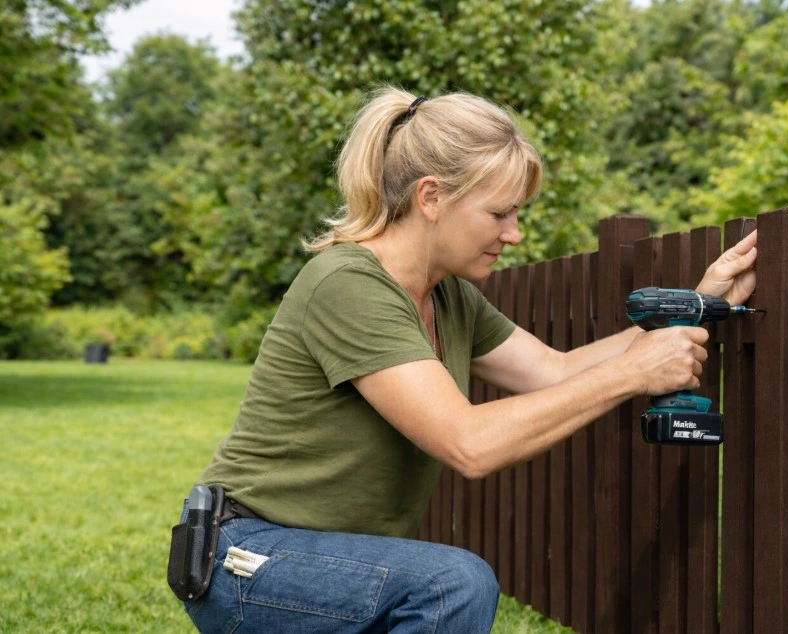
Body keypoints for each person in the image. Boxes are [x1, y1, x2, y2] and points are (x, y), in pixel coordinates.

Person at [174, 86, 758, 634]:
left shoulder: (447, 295)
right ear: (431, 197)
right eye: (500, 213)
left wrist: (697, 306)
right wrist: (633, 373)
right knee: (453, 585)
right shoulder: (347, 283)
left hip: (329, 559)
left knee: (446, 583)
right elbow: (469, 444)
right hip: (246, 557)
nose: (515, 234)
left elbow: (555, 371)